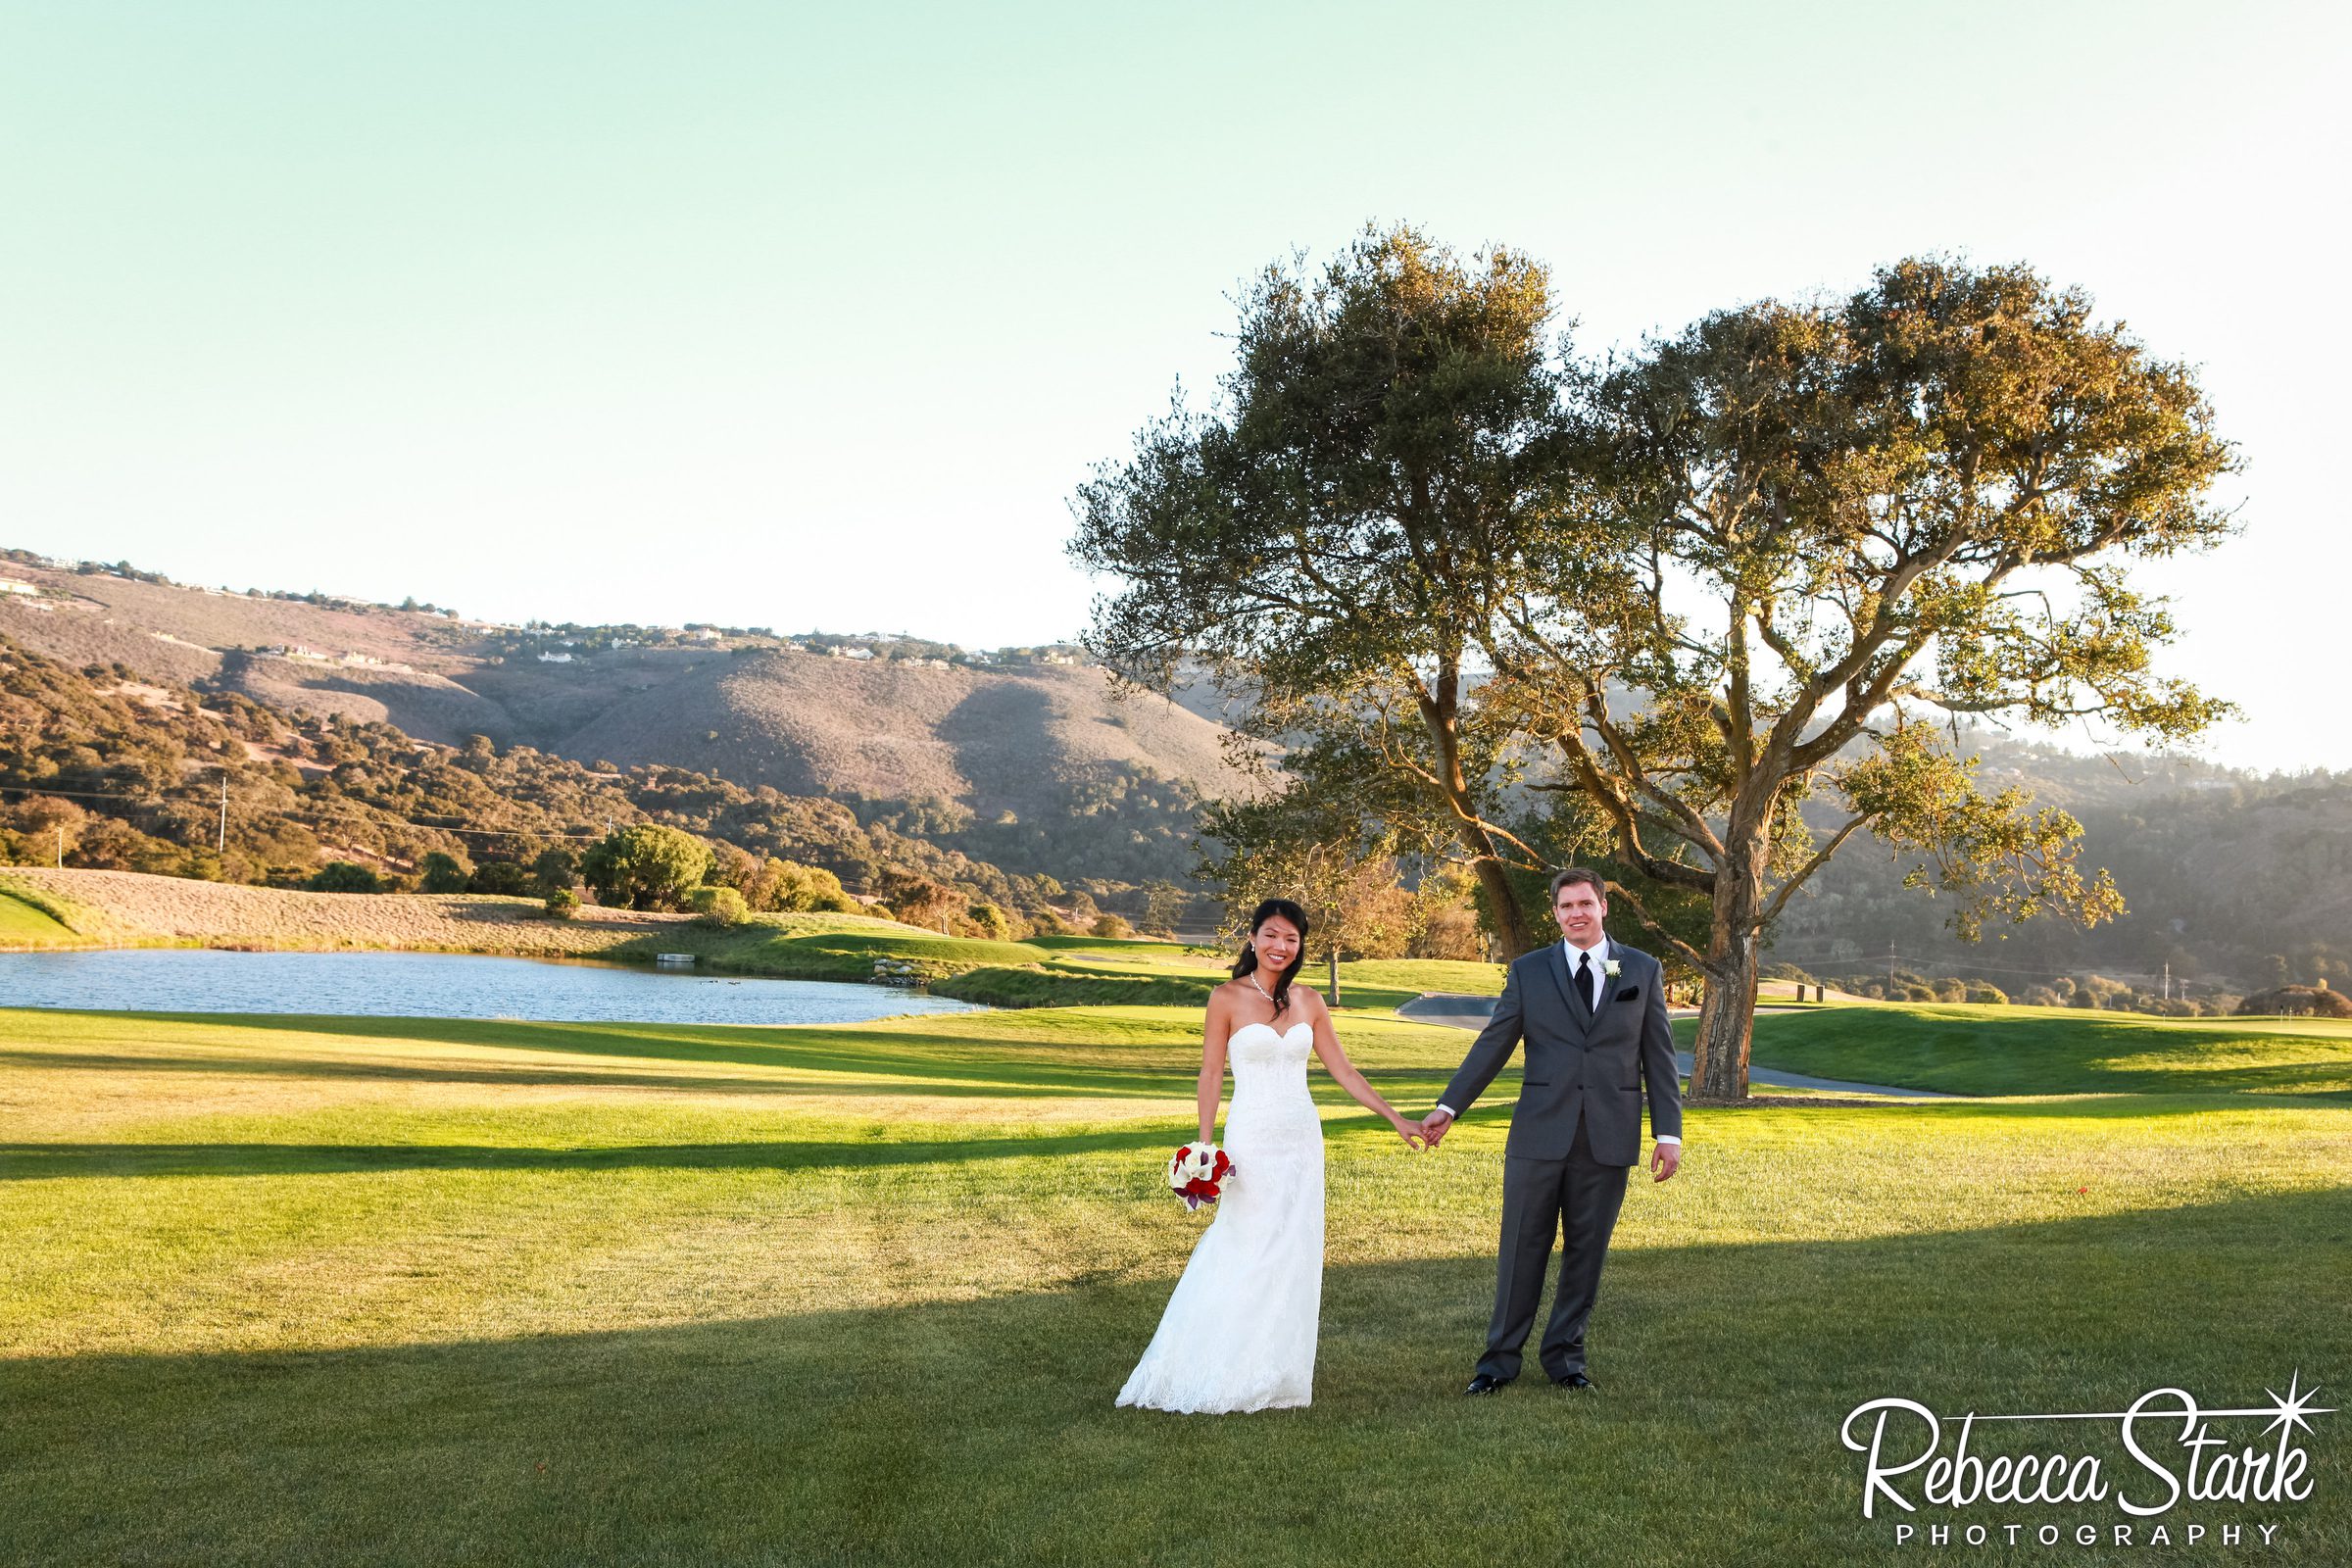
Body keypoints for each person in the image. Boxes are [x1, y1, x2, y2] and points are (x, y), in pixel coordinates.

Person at [1116, 897, 1425, 1413]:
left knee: (1292, 1252)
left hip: (1302, 1140)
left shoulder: (1309, 1001)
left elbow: (1344, 1072)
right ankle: (1218, 1366)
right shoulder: (1226, 997)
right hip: (1251, 1140)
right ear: (1253, 938)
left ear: (1301, 946)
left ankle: (1279, 1375)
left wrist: (1396, 1120)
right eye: (1272, 935)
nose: (1281, 947)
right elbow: (1211, 1072)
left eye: (1292, 939)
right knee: (1245, 1244)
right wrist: (1205, 1143)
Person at [1420, 867, 1683, 1394]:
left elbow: (1658, 1056)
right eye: (1566, 907)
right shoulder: (1529, 971)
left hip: (1608, 1135)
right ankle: (1497, 1363)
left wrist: (1668, 1134)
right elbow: (1493, 1043)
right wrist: (1450, 1106)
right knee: (1521, 1248)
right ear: (1556, 913)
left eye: (1585, 903)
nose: (1576, 914)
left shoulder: (1643, 970)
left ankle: (1566, 1360)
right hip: (1538, 1135)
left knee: (1587, 1252)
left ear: (1603, 906)